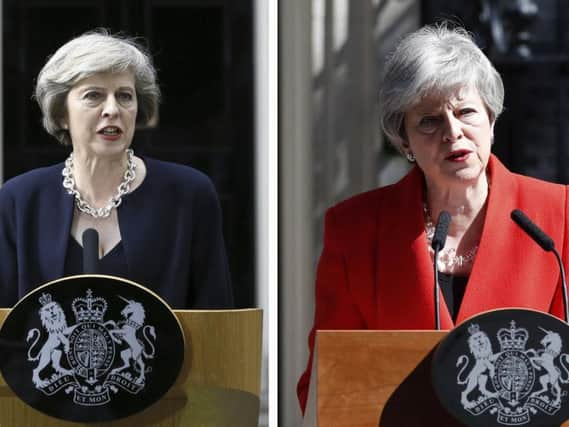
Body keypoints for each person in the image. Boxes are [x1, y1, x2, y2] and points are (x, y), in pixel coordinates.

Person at [297, 23, 569, 413]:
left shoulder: (557, 215)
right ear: (404, 140)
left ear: (491, 120)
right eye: (429, 121)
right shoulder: (356, 230)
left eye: (466, 112)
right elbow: (327, 381)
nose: (453, 132)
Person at [0, 30, 233, 309]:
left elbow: (218, 326)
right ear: (62, 114)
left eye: (124, 96)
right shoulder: (18, 200)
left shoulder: (189, 195)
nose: (112, 109)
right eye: (93, 95)